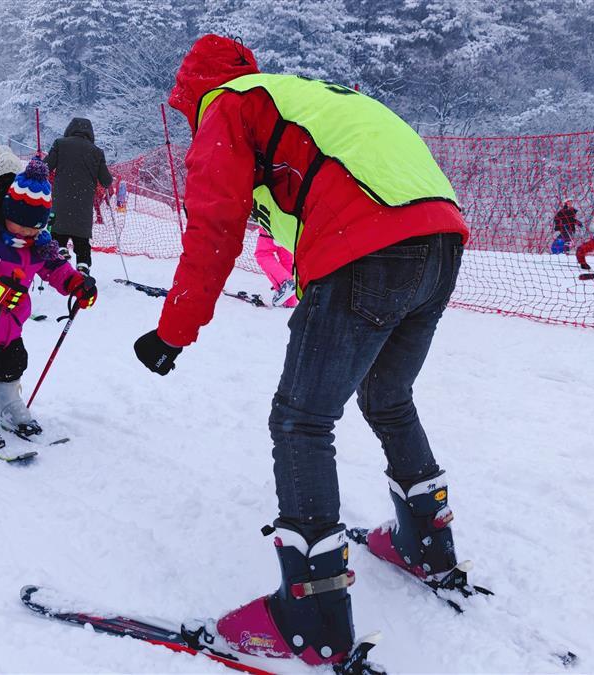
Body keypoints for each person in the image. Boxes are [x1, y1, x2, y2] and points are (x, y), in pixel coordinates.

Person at [131, 35, 469, 668]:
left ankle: (309, 616)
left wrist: (173, 331)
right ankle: (427, 543)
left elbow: (214, 228)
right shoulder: (296, 97)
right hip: (442, 239)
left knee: (302, 419)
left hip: (366, 244)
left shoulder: (226, 106)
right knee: (387, 395)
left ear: (190, 93)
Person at [0, 157, 98, 448]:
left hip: (8, 320)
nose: (27, 233)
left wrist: (76, 283)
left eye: (35, 228)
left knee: (15, 360)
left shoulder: (37, 241)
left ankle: (6, 406)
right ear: (7, 211)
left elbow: (55, 267)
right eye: (22, 226)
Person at [45, 117, 113, 274]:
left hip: (61, 202)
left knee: (57, 231)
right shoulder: (96, 152)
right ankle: (83, 266)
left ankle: (59, 250)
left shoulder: (60, 144)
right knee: (81, 239)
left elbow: (46, 166)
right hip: (83, 205)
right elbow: (106, 181)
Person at [254, 230, 297, 307]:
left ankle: (286, 282)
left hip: (271, 226)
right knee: (287, 261)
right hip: (289, 229)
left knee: (262, 254)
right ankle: (289, 301)